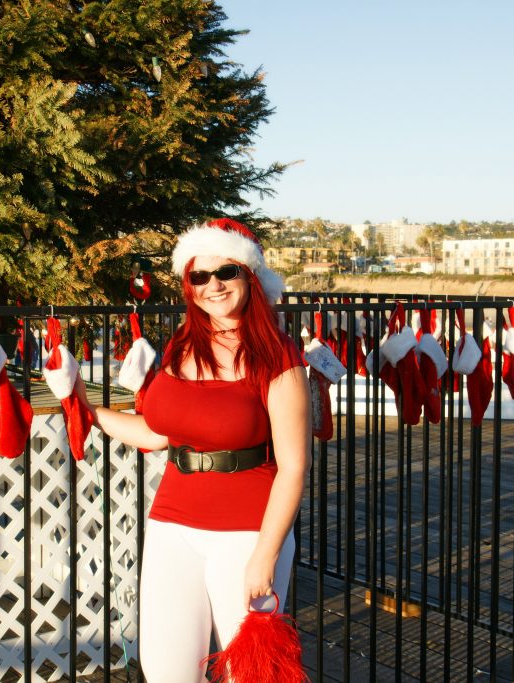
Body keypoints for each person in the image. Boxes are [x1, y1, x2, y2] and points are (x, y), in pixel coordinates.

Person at [74, 218, 311, 683]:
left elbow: (294, 465)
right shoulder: (183, 346)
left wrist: (265, 555)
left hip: (246, 532)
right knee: (166, 671)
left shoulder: (277, 356)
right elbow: (158, 434)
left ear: (251, 277)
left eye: (226, 272)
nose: (213, 286)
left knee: (252, 674)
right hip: (172, 525)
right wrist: (83, 407)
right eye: (199, 276)